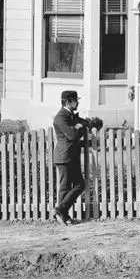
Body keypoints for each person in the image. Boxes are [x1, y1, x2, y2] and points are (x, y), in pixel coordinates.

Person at [52, 90, 88, 226]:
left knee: (79, 185)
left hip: (71, 155)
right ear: (67, 102)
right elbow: (72, 135)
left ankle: (61, 211)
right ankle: (63, 215)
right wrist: (78, 127)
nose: (77, 102)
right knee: (65, 187)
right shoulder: (60, 118)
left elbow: (84, 123)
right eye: (75, 100)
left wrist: (81, 125)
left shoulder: (69, 115)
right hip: (64, 156)